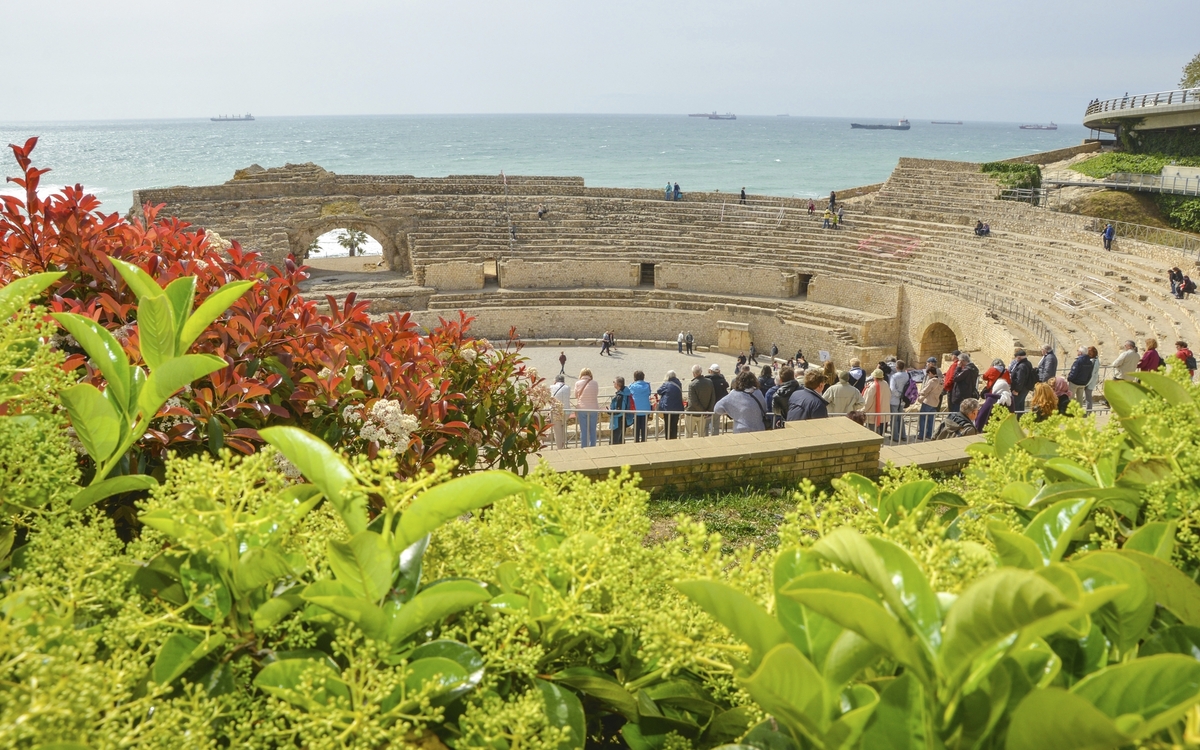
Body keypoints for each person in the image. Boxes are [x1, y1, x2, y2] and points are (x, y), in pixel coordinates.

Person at [573, 368, 599, 448]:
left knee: (584, 430)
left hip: (582, 408)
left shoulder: (578, 383)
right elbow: (596, 393)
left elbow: (575, 395)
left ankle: (584, 447)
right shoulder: (595, 383)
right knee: (593, 430)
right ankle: (593, 446)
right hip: (594, 408)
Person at [655, 370, 685, 440]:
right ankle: (674, 439)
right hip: (677, 407)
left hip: (667, 408)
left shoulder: (666, 384)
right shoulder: (679, 383)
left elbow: (659, 391)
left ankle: (668, 439)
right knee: (674, 425)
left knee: (668, 425)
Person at [916, 365, 943, 440]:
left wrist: (920, 393)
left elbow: (926, 390)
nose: (928, 375)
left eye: (928, 373)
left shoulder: (932, 381)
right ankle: (929, 434)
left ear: (931, 373)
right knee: (931, 419)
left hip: (928, 402)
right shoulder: (941, 381)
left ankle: (921, 434)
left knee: (923, 418)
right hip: (935, 402)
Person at [862, 369, 891, 435]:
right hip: (883, 414)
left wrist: (862, 410)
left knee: (872, 433)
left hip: (873, 414)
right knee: (880, 433)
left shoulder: (873, 386)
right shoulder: (885, 384)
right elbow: (889, 396)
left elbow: (868, 401)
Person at [888, 360, 911, 441]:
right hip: (903, 400)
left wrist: (898, 395)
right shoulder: (907, 375)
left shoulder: (894, 376)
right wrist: (902, 396)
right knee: (900, 417)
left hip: (894, 400)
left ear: (896, 367)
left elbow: (892, 388)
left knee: (894, 419)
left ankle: (895, 437)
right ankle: (903, 435)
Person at [629, 370, 653, 443]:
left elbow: (629, 392)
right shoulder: (647, 385)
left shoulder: (632, 386)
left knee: (636, 427)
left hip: (636, 409)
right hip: (646, 409)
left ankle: (636, 441)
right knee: (644, 427)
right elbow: (649, 393)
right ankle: (644, 441)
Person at [1009, 348, 1034, 414]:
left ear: (1019, 357)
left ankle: (1016, 421)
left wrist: (1017, 390)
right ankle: (1020, 420)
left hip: (1020, 390)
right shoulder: (1028, 363)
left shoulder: (1021, 366)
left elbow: (1020, 379)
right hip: (1025, 388)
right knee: (1021, 405)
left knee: (1016, 406)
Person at [609, 376, 633, 444]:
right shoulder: (624, 393)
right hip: (622, 420)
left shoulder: (620, 396)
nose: (613, 383)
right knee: (620, 439)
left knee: (615, 441)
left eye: (614, 382)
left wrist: (610, 412)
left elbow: (619, 411)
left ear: (617, 384)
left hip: (618, 421)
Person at [550, 374, 571, 449]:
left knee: (557, 431)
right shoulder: (568, 387)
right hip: (566, 412)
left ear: (555, 381)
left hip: (556, 412)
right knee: (563, 428)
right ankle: (564, 444)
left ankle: (560, 448)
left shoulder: (552, 387)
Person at [1084, 346, 1100, 411]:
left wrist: (1087, 383)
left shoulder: (1094, 362)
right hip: (1090, 381)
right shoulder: (1095, 360)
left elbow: (1092, 374)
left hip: (1090, 382)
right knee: (1088, 397)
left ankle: (1089, 411)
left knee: (1088, 397)